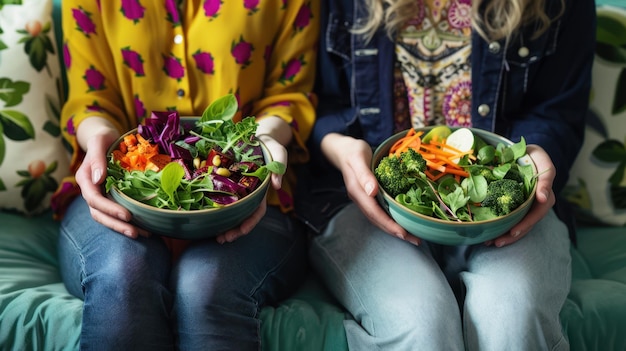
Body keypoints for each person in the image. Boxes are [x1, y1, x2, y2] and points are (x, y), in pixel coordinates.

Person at [295, 0, 596, 350]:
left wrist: (537, 154)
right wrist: (341, 149)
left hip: (505, 207)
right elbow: (317, 102)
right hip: (363, 204)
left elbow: (557, 111)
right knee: (421, 323)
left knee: (512, 314)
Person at [52, 0, 319, 350]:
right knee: (124, 272)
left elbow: (289, 95)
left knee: (206, 284)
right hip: (118, 191)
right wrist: (98, 140)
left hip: (251, 196)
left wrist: (262, 142)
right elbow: (90, 98)